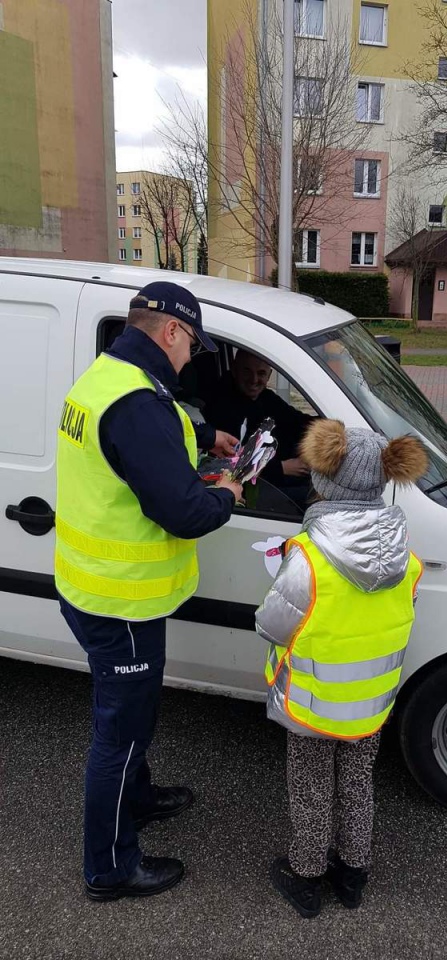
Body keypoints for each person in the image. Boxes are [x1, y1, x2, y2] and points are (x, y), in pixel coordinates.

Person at [55, 281, 243, 902]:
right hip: (122, 602)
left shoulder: (106, 376)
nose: (191, 357)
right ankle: (109, 868)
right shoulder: (136, 402)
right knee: (121, 732)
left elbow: (146, 443)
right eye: (192, 344)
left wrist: (205, 433)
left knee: (132, 720)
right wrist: (227, 495)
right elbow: (185, 512)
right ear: (171, 332)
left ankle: (138, 797)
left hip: (94, 590)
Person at [255, 420, 428, 919]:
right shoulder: (406, 559)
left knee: (311, 789)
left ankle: (306, 879)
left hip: (313, 703)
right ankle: (353, 876)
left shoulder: (308, 557)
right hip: (371, 704)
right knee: (357, 785)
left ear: (323, 480)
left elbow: (272, 626)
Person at [204, 350, 314, 495]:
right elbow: (233, 460)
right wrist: (282, 468)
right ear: (235, 369)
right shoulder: (221, 406)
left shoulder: (266, 398)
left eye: (261, 373)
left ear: (269, 375)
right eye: (247, 371)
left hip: (277, 475)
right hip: (248, 489)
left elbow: (297, 421)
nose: (254, 379)